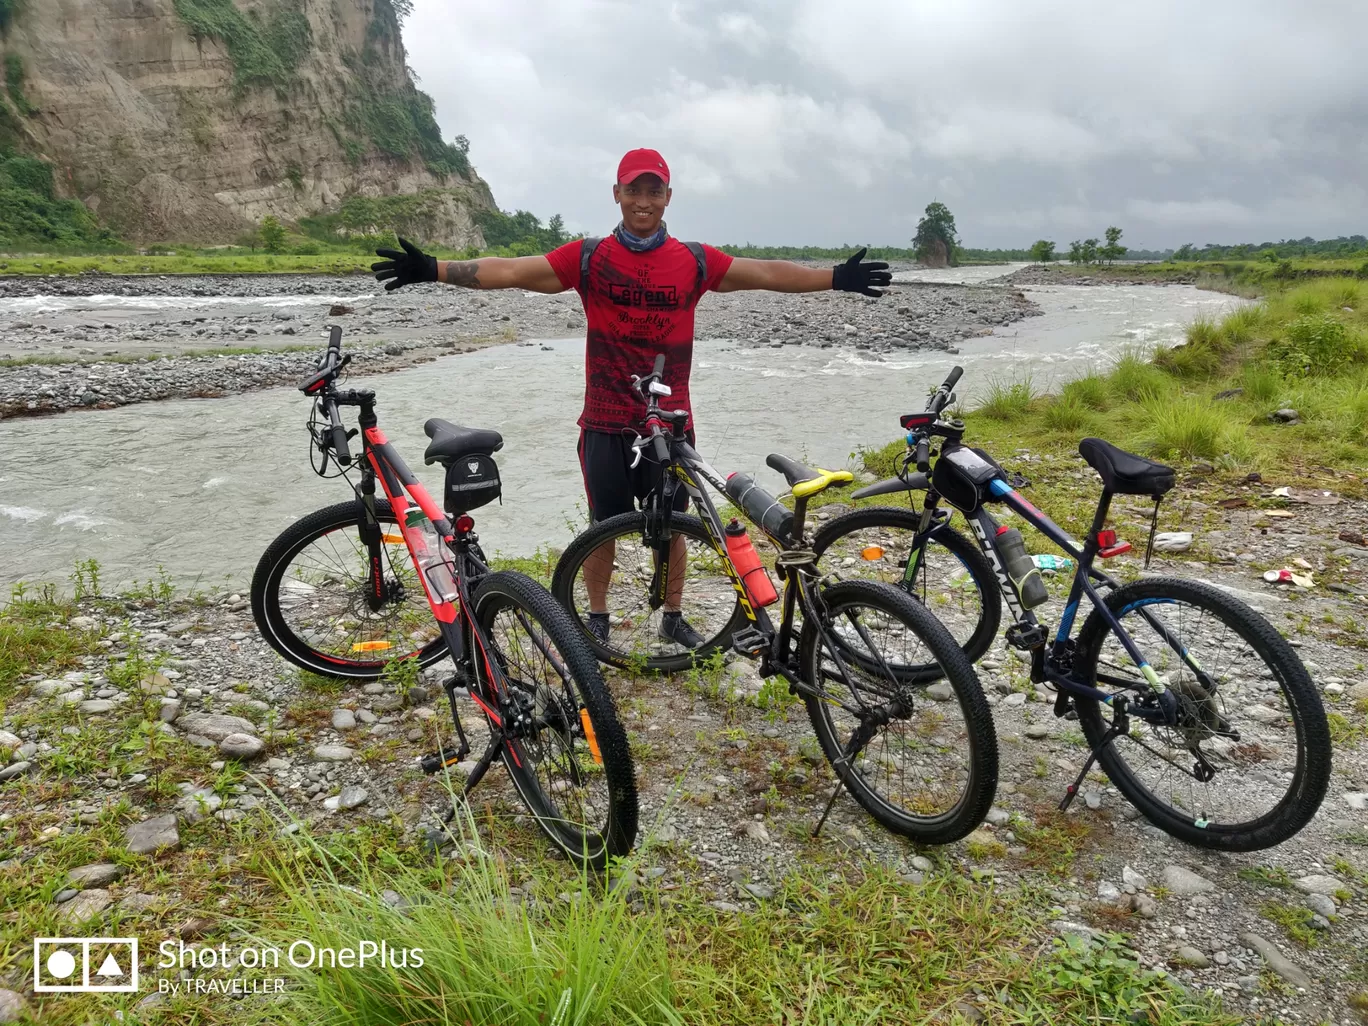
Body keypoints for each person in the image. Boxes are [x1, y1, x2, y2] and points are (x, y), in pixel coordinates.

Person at [372, 147, 891, 648]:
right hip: (605, 420)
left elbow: (766, 273)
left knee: (674, 525)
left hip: (670, 423)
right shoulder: (589, 258)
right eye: (634, 190)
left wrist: (836, 278)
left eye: (654, 190)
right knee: (605, 527)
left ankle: (672, 615)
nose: (644, 200)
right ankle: (597, 619)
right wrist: (434, 268)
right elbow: (510, 271)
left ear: (668, 196)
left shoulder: (693, 261)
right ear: (617, 193)